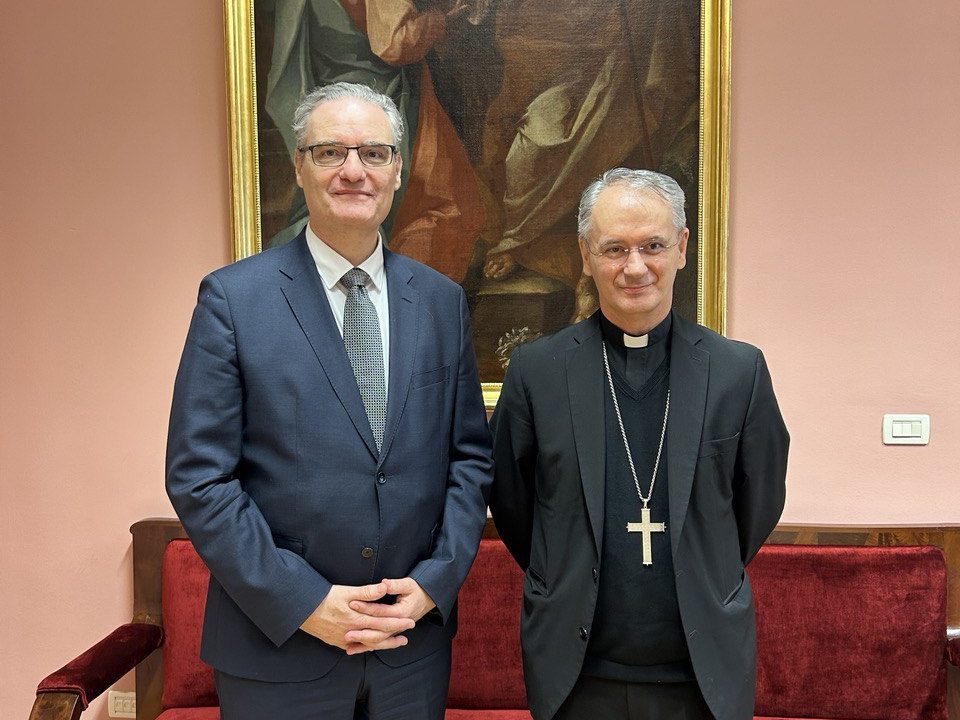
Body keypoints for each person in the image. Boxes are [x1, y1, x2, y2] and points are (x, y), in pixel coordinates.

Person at [166, 82, 492, 720]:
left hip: (409, 653)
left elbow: (470, 460)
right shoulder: (233, 300)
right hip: (279, 652)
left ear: (398, 169)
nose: (353, 170)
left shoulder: (440, 302)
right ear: (299, 166)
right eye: (330, 152)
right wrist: (305, 602)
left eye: (373, 152)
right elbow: (200, 478)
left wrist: (433, 583)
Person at [489, 168, 788, 720]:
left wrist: (706, 564)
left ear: (681, 248)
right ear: (585, 255)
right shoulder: (537, 372)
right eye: (614, 248)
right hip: (575, 676)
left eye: (652, 245)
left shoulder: (737, 371)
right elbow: (511, 501)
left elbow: (759, 501)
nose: (634, 267)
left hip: (702, 676)